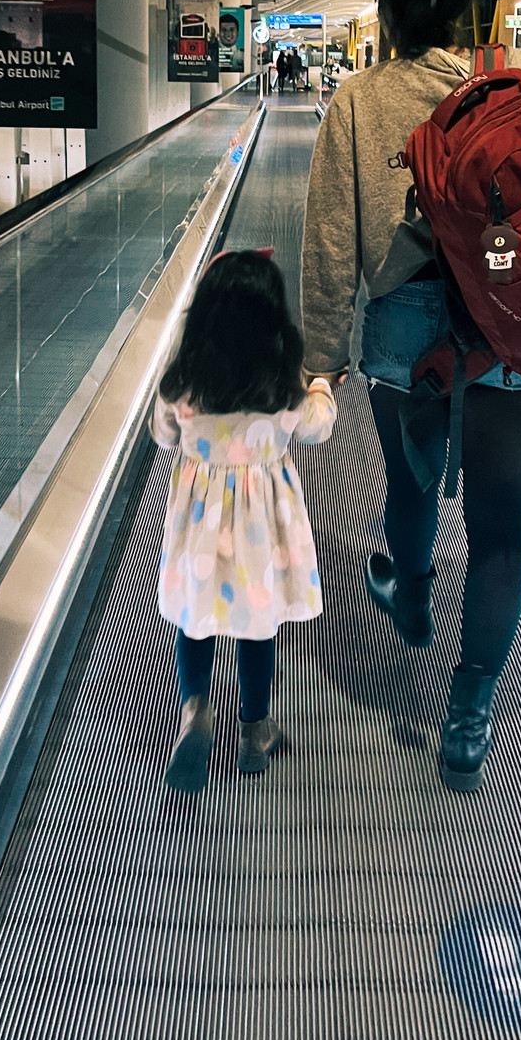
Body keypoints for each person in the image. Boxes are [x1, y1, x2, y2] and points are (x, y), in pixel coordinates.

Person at [300, 0, 521, 794]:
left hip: (407, 329)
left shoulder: (359, 100)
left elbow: (333, 241)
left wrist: (321, 359)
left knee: (412, 480)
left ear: (384, 11)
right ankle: (469, 709)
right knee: (498, 523)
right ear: (463, 7)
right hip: (507, 319)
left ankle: (410, 593)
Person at [151, 248, 337, 794]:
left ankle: (194, 711)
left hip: (199, 529)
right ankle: (254, 733)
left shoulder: (183, 387)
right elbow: (318, 428)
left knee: (195, 619)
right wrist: (323, 386)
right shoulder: (283, 389)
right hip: (263, 535)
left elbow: (163, 437)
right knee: (258, 628)